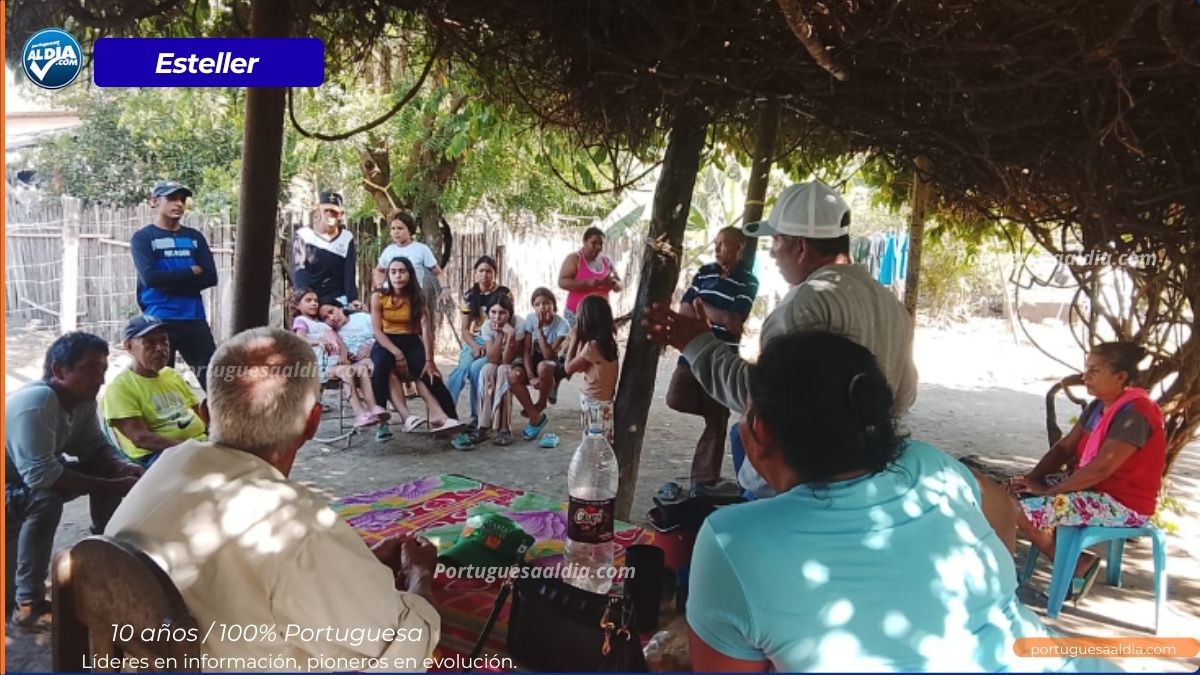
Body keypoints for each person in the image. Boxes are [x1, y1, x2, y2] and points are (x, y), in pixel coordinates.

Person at [687, 331, 1107, 672]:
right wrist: (989, 601)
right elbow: (999, 504)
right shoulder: (927, 462)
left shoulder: (733, 540)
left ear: (757, 434)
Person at [104, 328, 441, 668]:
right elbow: (407, 645)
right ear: (312, 423)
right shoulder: (297, 528)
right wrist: (419, 574)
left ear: (205, 414)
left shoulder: (168, 467)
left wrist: (355, 566)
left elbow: (267, 574)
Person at [645, 181, 918, 499]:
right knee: (735, 434)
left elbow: (766, 401)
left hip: (804, 486)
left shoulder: (804, 305)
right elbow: (903, 396)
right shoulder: (891, 305)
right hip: (867, 476)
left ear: (801, 248)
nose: (772, 253)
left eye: (776, 241)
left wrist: (697, 344)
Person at [1006, 341, 1166, 600]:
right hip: (1095, 491)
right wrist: (1032, 478)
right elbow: (1065, 447)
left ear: (1121, 377)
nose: (1085, 376)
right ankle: (1069, 563)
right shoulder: (1097, 407)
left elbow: (1101, 468)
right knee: (1009, 493)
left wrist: (1049, 490)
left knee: (1020, 511)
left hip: (1123, 504)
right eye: (1086, 368)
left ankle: (1079, 564)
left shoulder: (1135, 413)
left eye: (1094, 370)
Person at [5, 332, 142, 629]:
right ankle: (28, 605)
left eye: (103, 369)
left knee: (102, 471)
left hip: (19, 484)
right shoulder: (38, 401)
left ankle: (104, 558)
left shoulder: (81, 401)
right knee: (45, 499)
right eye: (91, 369)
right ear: (58, 371)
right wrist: (114, 486)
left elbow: (94, 447)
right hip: (12, 490)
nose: (100, 379)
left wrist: (120, 467)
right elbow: (42, 476)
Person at [666, 227, 759, 495]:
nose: (717, 249)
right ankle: (715, 409)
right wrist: (715, 314)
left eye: (724, 244)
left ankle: (703, 483)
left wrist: (702, 309)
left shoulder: (748, 281)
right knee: (676, 397)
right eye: (716, 243)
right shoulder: (704, 272)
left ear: (739, 247)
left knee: (717, 421)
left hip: (721, 355)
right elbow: (684, 309)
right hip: (693, 350)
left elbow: (734, 322)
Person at [130, 180, 218, 391]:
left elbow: (210, 277)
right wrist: (189, 272)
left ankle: (219, 424)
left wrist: (168, 284)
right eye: (171, 198)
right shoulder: (143, 238)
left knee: (217, 383)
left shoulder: (195, 237)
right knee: (158, 385)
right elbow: (151, 278)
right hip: (158, 322)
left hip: (193, 320)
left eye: (182, 199)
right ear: (154, 201)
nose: (178, 204)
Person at [370, 257, 461, 436]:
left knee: (431, 376)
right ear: (388, 274)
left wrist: (430, 360)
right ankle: (380, 415)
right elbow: (377, 331)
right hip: (386, 341)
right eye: (393, 272)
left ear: (410, 274)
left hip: (410, 341)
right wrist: (397, 353)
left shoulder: (418, 298)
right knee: (381, 364)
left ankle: (453, 423)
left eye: (402, 271)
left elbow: (426, 329)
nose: (398, 276)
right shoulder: (378, 296)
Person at [103, 316, 208, 468]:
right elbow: (141, 438)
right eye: (149, 343)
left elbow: (199, 413)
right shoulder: (119, 388)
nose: (160, 348)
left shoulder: (172, 375)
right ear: (129, 346)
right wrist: (189, 450)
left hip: (197, 445)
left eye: (164, 341)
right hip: (158, 455)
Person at [290, 288, 388, 429]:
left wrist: (345, 357)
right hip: (320, 367)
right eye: (308, 300)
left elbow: (340, 343)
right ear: (297, 305)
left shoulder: (323, 324)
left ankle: (373, 407)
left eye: (315, 300)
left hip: (336, 364)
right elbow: (301, 339)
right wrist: (318, 342)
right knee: (346, 372)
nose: (314, 303)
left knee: (361, 369)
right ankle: (359, 413)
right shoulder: (301, 321)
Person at [447, 255, 512, 426]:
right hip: (475, 339)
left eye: (489, 271)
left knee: (476, 370)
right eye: (481, 271)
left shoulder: (504, 293)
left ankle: (477, 417)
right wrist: (475, 346)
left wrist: (491, 341)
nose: (485, 275)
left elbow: (509, 320)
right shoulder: (469, 296)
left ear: (495, 274)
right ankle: (446, 413)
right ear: (475, 273)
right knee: (461, 370)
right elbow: (464, 330)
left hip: (497, 339)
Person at [453, 293, 520, 449]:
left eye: (502, 313)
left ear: (510, 313)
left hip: (516, 362)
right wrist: (499, 334)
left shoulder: (518, 324)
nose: (497, 317)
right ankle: (484, 425)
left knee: (503, 371)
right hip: (498, 359)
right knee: (486, 370)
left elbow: (507, 360)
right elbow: (493, 359)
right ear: (488, 313)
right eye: (493, 312)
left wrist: (510, 336)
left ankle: (504, 428)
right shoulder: (486, 326)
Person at [508, 287, 571, 441]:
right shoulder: (530, 319)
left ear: (553, 305)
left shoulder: (562, 324)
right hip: (532, 360)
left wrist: (540, 331)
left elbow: (549, 354)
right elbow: (527, 350)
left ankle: (542, 402)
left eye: (546, 303)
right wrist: (529, 376)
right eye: (537, 304)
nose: (542, 307)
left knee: (543, 366)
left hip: (551, 364)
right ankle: (536, 416)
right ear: (533, 307)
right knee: (513, 376)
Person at [564, 296, 620, 443]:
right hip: (600, 403)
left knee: (594, 446)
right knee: (598, 443)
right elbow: (582, 368)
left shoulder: (593, 346)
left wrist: (574, 339)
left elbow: (569, 368)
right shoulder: (605, 343)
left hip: (594, 403)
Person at [292, 190, 361, 309]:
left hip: (339, 300)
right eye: (326, 210)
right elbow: (299, 271)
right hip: (312, 300)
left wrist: (352, 299)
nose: (329, 214)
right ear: (319, 211)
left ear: (341, 214)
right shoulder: (304, 235)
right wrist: (305, 300)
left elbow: (349, 272)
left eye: (334, 211)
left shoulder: (346, 238)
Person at [373, 211, 452, 303]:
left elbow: (438, 272)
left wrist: (445, 288)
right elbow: (379, 270)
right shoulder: (388, 250)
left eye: (400, 228)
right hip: (390, 298)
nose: (396, 232)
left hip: (414, 298)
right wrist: (379, 287)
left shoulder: (421, 249)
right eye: (393, 229)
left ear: (410, 230)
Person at [559, 226, 622, 327]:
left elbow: (620, 285)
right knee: (578, 342)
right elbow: (562, 282)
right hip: (577, 315)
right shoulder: (575, 259)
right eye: (593, 243)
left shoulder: (607, 261)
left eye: (601, 244)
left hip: (601, 316)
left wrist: (614, 284)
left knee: (599, 343)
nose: (598, 247)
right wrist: (587, 284)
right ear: (584, 242)